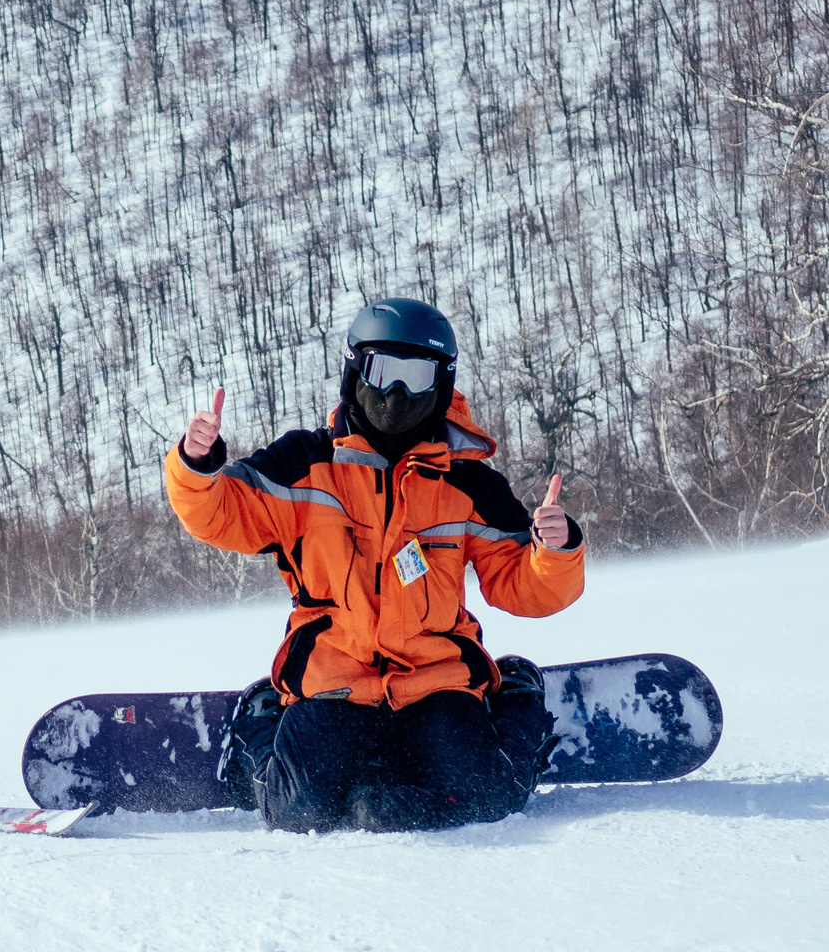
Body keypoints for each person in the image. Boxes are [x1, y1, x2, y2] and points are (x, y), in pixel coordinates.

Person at [163, 298, 581, 833]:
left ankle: (517, 694)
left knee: (486, 798)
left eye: (416, 375)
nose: (397, 393)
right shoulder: (305, 464)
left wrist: (557, 551)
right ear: (355, 369)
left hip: (436, 684)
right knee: (298, 812)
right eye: (383, 372)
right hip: (334, 682)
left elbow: (524, 587)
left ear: (443, 384)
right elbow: (222, 514)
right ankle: (264, 715)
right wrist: (197, 465)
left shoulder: (469, 484)